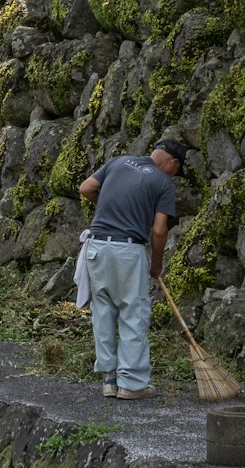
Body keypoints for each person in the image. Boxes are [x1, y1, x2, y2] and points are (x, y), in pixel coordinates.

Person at [77, 134, 184, 399]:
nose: (174, 175)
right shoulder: (162, 183)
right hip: (127, 249)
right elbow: (159, 230)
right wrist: (156, 263)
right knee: (133, 312)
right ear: (171, 162)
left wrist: (109, 207)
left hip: (97, 246)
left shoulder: (118, 161)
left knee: (103, 311)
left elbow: (86, 188)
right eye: (177, 170)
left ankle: (109, 380)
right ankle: (132, 384)